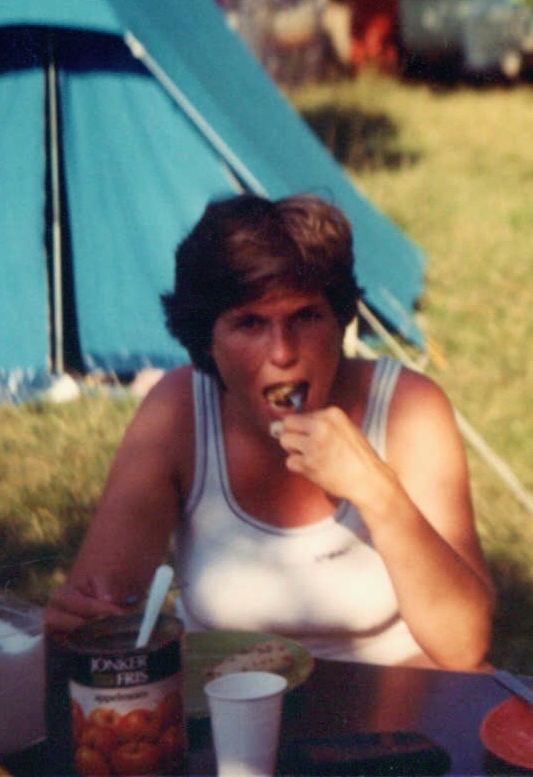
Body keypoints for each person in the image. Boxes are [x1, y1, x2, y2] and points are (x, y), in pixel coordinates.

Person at [47, 193, 495, 670]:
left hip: (398, 691)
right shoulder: (178, 412)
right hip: (224, 696)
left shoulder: (408, 406)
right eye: (250, 323)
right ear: (206, 340)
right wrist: (77, 622)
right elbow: (97, 609)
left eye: (306, 316)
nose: (282, 353)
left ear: (340, 320)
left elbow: (464, 646)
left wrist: (378, 494)